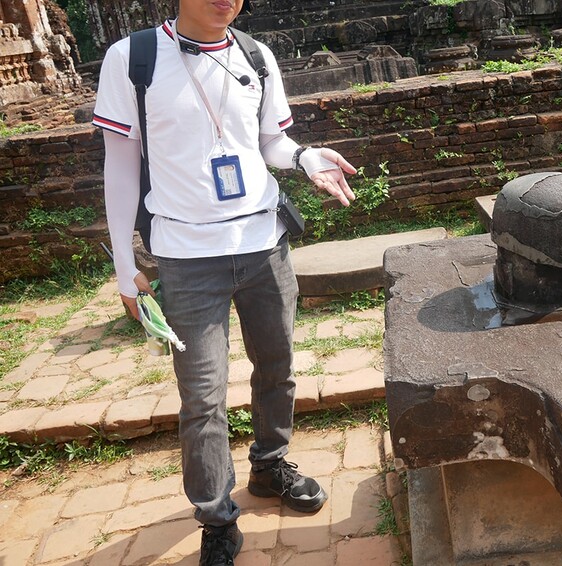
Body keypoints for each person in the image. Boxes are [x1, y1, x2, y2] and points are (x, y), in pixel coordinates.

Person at [92, 1, 357, 564]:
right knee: (203, 397)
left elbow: (270, 143)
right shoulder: (134, 59)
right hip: (186, 259)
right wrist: (123, 265)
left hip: (264, 247)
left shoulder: (255, 56)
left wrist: (305, 156)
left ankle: (269, 464)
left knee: (278, 366)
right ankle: (215, 517)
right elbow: (119, 164)